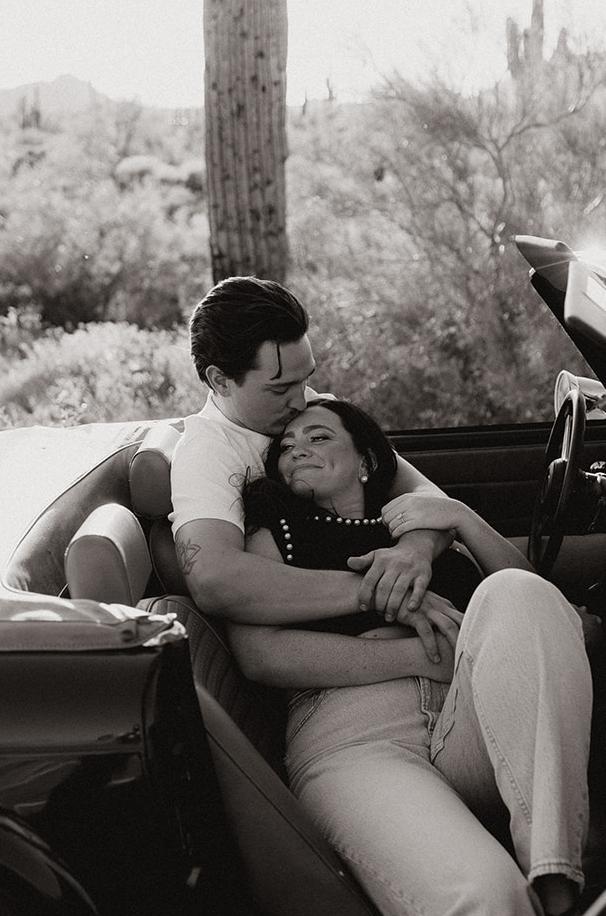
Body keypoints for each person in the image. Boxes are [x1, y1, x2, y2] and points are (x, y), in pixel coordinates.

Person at [227, 398, 593, 916]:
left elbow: (551, 618)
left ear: (367, 459)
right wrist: (414, 660)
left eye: (318, 436)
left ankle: (555, 876)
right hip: (355, 737)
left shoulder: (420, 526)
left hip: (471, 720)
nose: (297, 450)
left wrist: (460, 519)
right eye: (285, 446)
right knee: (483, 899)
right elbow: (260, 655)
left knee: (517, 592)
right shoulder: (277, 532)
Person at [169, 276, 457, 660]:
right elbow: (214, 578)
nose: (300, 400)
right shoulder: (207, 452)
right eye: (279, 388)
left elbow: (426, 496)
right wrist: (377, 592)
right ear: (220, 380)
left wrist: (413, 552)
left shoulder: (312, 405)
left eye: (305, 380)